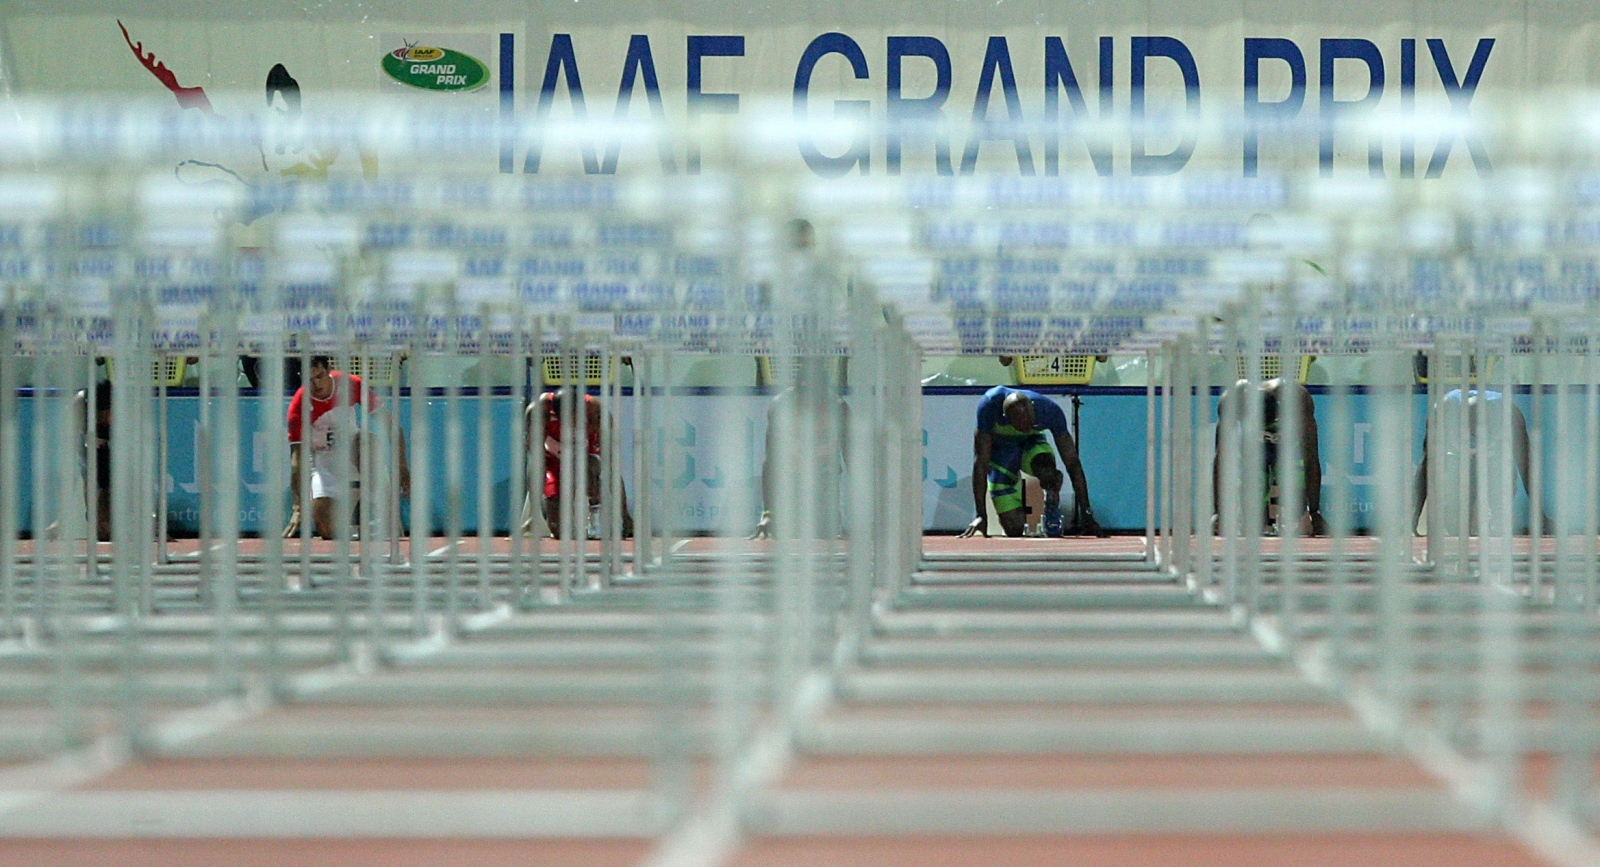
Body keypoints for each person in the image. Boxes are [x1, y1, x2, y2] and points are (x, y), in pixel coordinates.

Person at [284, 355, 409, 540]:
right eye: (310, 380)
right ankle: (356, 530)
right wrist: (297, 507)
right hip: (324, 464)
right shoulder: (299, 405)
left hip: (355, 454)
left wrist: (402, 468)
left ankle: (385, 510)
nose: (316, 384)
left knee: (368, 442)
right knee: (326, 530)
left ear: (329, 369)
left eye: (320, 376)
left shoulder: (351, 384)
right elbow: (297, 460)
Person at [959, 385, 1103, 538]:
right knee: (1013, 529)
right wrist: (981, 514)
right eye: (1019, 424)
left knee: (1046, 469)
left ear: (1032, 407)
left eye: (1029, 422)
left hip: (1031, 444)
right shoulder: (988, 406)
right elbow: (981, 463)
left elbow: (1072, 463)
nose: (1025, 427)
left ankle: (1051, 497)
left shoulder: (1050, 411)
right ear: (1005, 416)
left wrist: (1087, 513)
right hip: (1002, 452)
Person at [1413, 386, 1543, 536]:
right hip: (1457, 463)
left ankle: (1495, 517)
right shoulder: (1442, 412)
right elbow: (1425, 465)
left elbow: (1525, 465)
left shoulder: (1510, 415)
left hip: (1493, 463)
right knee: (1456, 525)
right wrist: (1413, 516)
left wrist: (1539, 513)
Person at [1212, 377, 1327, 536]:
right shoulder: (1232, 400)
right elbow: (1221, 459)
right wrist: (1219, 513)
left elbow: (1310, 457)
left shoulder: (1297, 399)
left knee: (1298, 512)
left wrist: (1314, 511)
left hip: (1287, 443)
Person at [524, 388, 632, 539]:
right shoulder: (538, 412)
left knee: (590, 470)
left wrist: (624, 514)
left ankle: (597, 511)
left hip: (585, 459)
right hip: (554, 460)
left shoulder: (597, 413)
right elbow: (537, 460)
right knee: (559, 532)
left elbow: (611, 465)